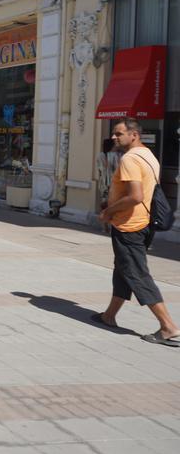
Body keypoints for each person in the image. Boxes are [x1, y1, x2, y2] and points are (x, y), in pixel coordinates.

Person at [95, 118, 179, 346]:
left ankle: (168, 326)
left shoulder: (130, 159)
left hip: (129, 225)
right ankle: (109, 315)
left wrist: (107, 212)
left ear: (134, 135)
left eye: (119, 133)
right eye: (114, 133)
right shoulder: (148, 155)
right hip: (143, 223)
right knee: (123, 268)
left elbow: (135, 196)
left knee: (136, 273)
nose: (114, 137)